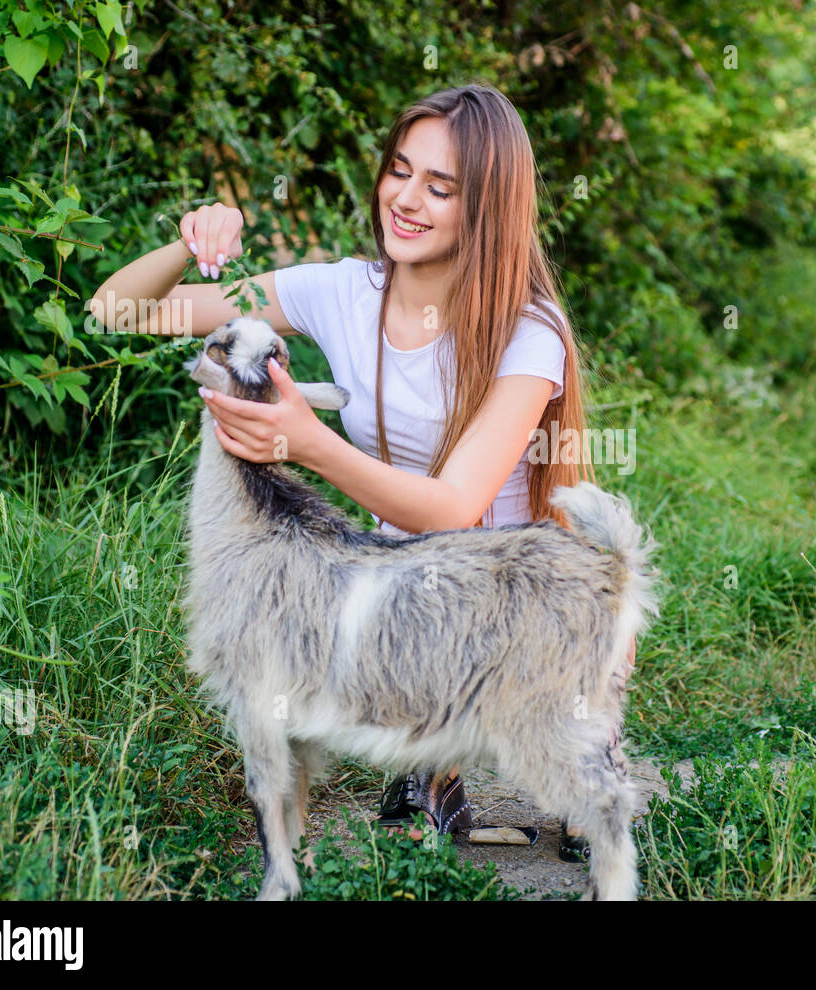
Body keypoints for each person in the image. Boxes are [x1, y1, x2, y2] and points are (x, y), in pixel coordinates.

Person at [88, 83, 637, 862]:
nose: (406, 201)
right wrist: (190, 241)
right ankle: (435, 765)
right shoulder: (345, 292)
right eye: (399, 171)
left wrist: (306, 443)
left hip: (520, 601)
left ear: (488, 207)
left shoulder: (528, 329)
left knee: (576, 805)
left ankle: (581, 714)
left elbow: (454, 507)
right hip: (399, 596)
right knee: (409, 807)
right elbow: (117, 311)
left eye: (440, 187)